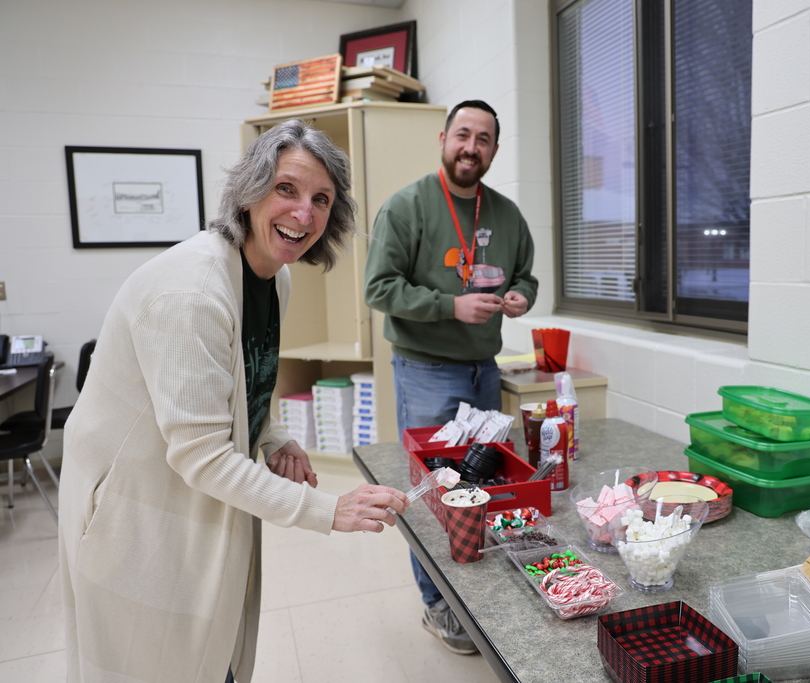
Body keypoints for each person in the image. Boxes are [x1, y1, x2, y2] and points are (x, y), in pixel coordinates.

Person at [58, 119, 410, 683]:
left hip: (185, 488)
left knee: (210, 645)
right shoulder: (192, 292)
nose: (304, 214)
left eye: (321, 199)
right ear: (248, 193)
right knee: (147, 658)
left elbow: (245, 381)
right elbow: (201, 454)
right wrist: (330, 511)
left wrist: (271, 437)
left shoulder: (275, 277)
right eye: (286, 189)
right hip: (132, 501)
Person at [363, 100, 538, 655]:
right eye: (463, 134)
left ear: (493, 149)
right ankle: (437, 604)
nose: (471, 147)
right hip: (425, 370)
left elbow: (528, 275)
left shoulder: (506, 214)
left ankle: (477, 590)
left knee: (482, 484)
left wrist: (520, 297)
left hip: (485, 371)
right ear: (443, 138)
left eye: (483, 139)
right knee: (436, 489)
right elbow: (378, 288)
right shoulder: (407, 207)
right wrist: (450, 306)